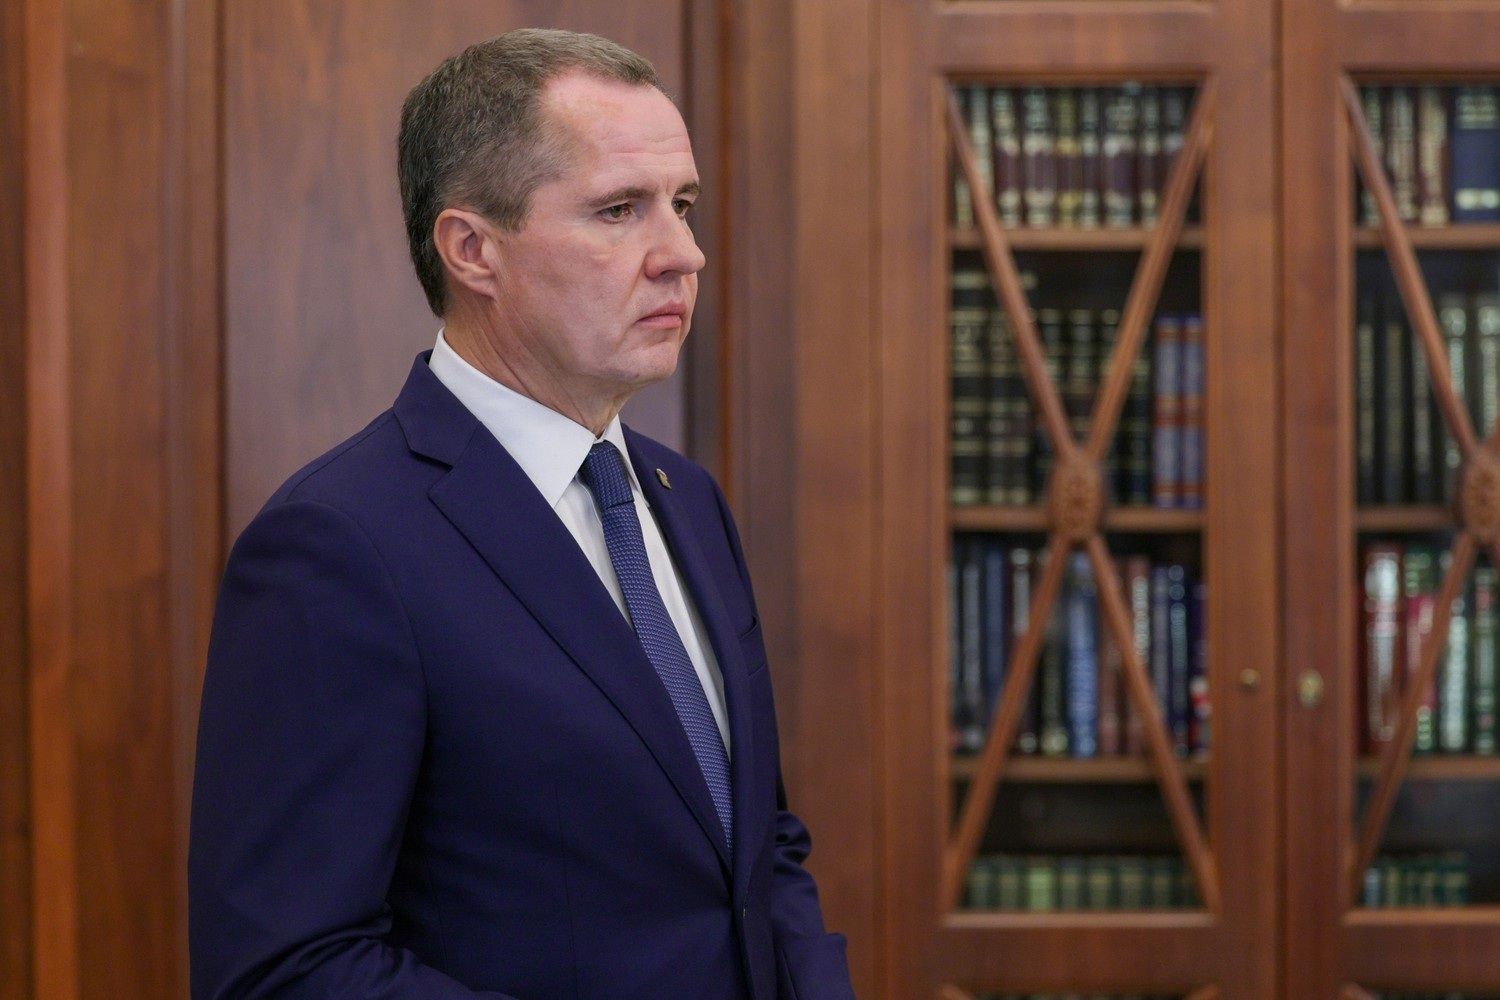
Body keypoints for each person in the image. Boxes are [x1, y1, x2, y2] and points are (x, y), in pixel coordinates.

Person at [188, 27, 856, 1000]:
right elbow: (288, 968)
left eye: (683, 205)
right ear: (473, 250)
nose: (685, 255)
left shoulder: (688, 500)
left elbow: (758, 848)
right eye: (620, 210)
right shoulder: (337, 545)